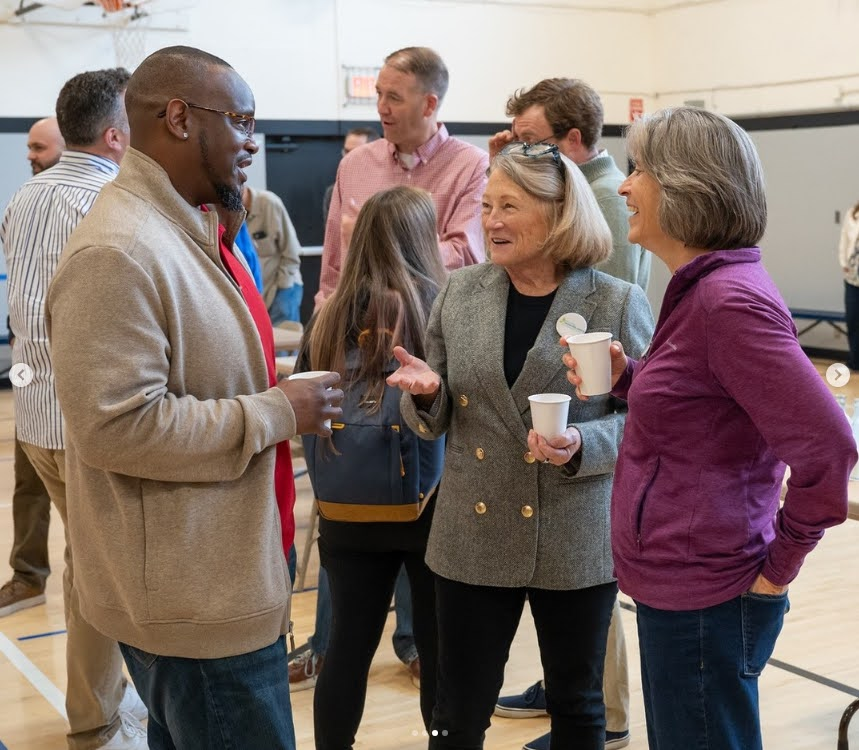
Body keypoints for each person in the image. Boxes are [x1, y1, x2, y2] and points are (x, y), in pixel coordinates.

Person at [45, 45, 342, 750]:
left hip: (216, 579)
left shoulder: (190, 230)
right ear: (177, 118)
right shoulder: (118, 250)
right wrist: (279, 411)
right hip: (194, 605)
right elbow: (117, 426)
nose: (252, 142)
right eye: (239, 121)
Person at [566, 106, 855, 750]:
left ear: (683, 186)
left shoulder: (730, 302)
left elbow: (830, 450)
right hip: (682, 585)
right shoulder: (702, 289)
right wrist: (627, 377)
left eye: (638, 170)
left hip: (710, 595)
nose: (622, 186)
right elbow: (705, 407)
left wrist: (777, 569)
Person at [388, 142, 654, 750]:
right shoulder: (461, 293)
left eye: (510, 205)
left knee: (577, 703)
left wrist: (581, 441)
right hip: (472, 536)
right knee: (457, 711)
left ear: (558, 212)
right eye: (486, 205)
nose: (492, 220)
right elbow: (432, 416)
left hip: (574, 531)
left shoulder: (614, 301)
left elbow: (648, 420)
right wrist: (428, 395)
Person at [490, 77, 649, 750]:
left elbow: (589, 314)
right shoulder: (586, 190)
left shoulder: (601, 207)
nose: (523, 152)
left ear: (573, 143)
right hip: (574, 424)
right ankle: (574, 693)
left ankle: (602, 710)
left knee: (587, 582)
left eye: (534, 143)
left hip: (585, 420)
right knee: (575, 596)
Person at [1, 67, 151, 750]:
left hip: (35, 416)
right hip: (85, 420)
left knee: (91, 570)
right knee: (99, 578)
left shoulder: (25, 195)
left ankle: (110, 706)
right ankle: (96, 722)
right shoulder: (106, 201)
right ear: (117, 134)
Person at [297, 185, 446, 749]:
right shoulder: (438, 310)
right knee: (437, 652)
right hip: (427, 507)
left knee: (345, 650)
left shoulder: (329, 317)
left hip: (344, 505)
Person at [315, 46, 488, 307]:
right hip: (359, 327)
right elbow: (333, 268)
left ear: (429, 104)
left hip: (432, 330)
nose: (381, 108)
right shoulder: (354, 165)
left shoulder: (471, 166)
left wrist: (374, 239)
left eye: (394, 98)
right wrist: (322, 326)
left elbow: (464, 257)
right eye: (379, 94)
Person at [0, 116, 64, 619]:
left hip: (76, 374)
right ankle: (27, 574)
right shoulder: (22, 205)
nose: (30, 156)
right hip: (28, 369)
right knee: (27, 478)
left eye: (38, 147)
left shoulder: (96, 204)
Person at [243, 184, 303, 324]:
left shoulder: (269, 203)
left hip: (283, 285)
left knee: (284, 343)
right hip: (258, 294)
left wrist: (283, 286)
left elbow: (292, 253)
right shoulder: (230, 214)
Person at [322, 127, 380, 224]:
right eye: (346, 151)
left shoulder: (388, 190)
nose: (347, 158)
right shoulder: (334, 192)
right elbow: (332, 235)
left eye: (356, 152)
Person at [839, 200, 859, 370]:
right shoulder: (852, 212)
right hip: (852, 278)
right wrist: (843, 262)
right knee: (852, 320)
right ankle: (855, 361)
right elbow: (844, 240)